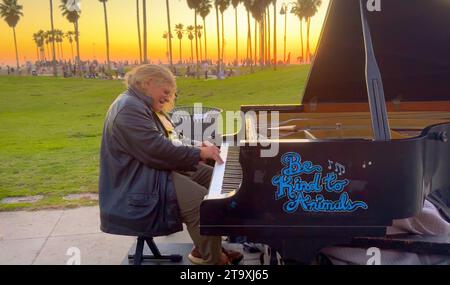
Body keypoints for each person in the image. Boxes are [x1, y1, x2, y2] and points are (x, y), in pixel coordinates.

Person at [99, 64, 243, 265]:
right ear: (148, 83)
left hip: (151, 172)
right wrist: (199, 153)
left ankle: (206, 248)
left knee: (213, 180)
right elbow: (156, 150)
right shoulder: (129, 108)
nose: (168, 98)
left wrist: (197, 147)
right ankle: (214, 260)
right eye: (166, 92)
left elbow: (172, 140)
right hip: (138, 184)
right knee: (202, 204)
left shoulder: (143, 105)